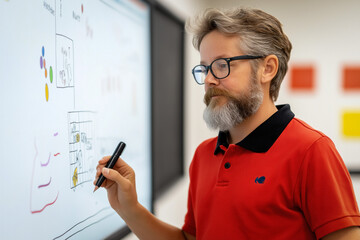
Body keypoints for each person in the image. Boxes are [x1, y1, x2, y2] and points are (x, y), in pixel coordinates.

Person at [94, 7, 360, 240]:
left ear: (268, 69)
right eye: (204, 68)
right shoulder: (203, 156)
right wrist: (129, 208)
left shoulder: (312, 151)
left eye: (222, 65)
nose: (209, 79)